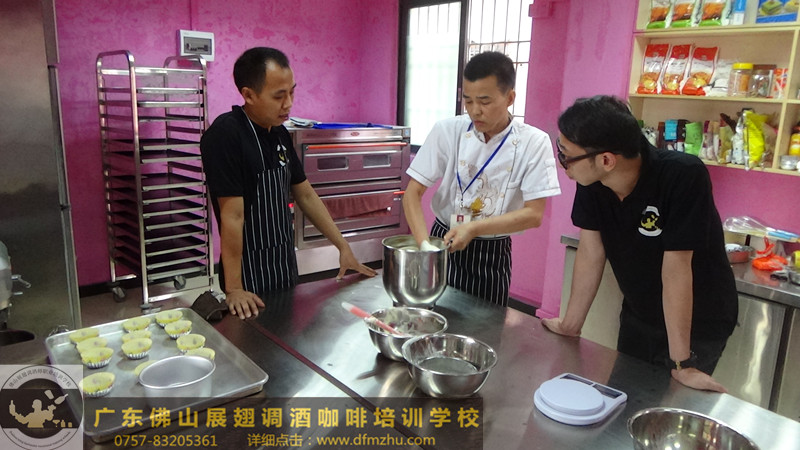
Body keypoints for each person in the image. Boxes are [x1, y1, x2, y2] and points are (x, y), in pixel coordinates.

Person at [541, 95, 738, 393]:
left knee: (669, 409)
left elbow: (676, 269)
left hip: (698, 320)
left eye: (566, 156)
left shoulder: (682, 175)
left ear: (606, 160)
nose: (562, 164)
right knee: (625, 398)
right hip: (640, 312)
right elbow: (591, 252)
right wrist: (571, 325)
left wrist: (682, 364)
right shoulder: (593, 181)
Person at [200, 47, 376, 319]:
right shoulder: (225, 135)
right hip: (246, 271)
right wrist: (234, 289)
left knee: (284, 329)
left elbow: (305, 195)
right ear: (248, 94)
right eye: (278, 96)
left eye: (292, 92)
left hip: (283, 261)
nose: (288, 104)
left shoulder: (280, 133)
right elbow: (232, 216)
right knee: (251, 337)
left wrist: (343, 247)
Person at [403, 51, 561, 305]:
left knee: (485, 324)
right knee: (430, 317)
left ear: (510, 98)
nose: (475, 111)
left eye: (485, 102)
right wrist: (425, 248)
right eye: (468, 101)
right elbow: (413, 193)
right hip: (442, 240)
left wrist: (473, 228)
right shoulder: (448, 130)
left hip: (491, 251)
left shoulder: (534, 142)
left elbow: (534, 215)